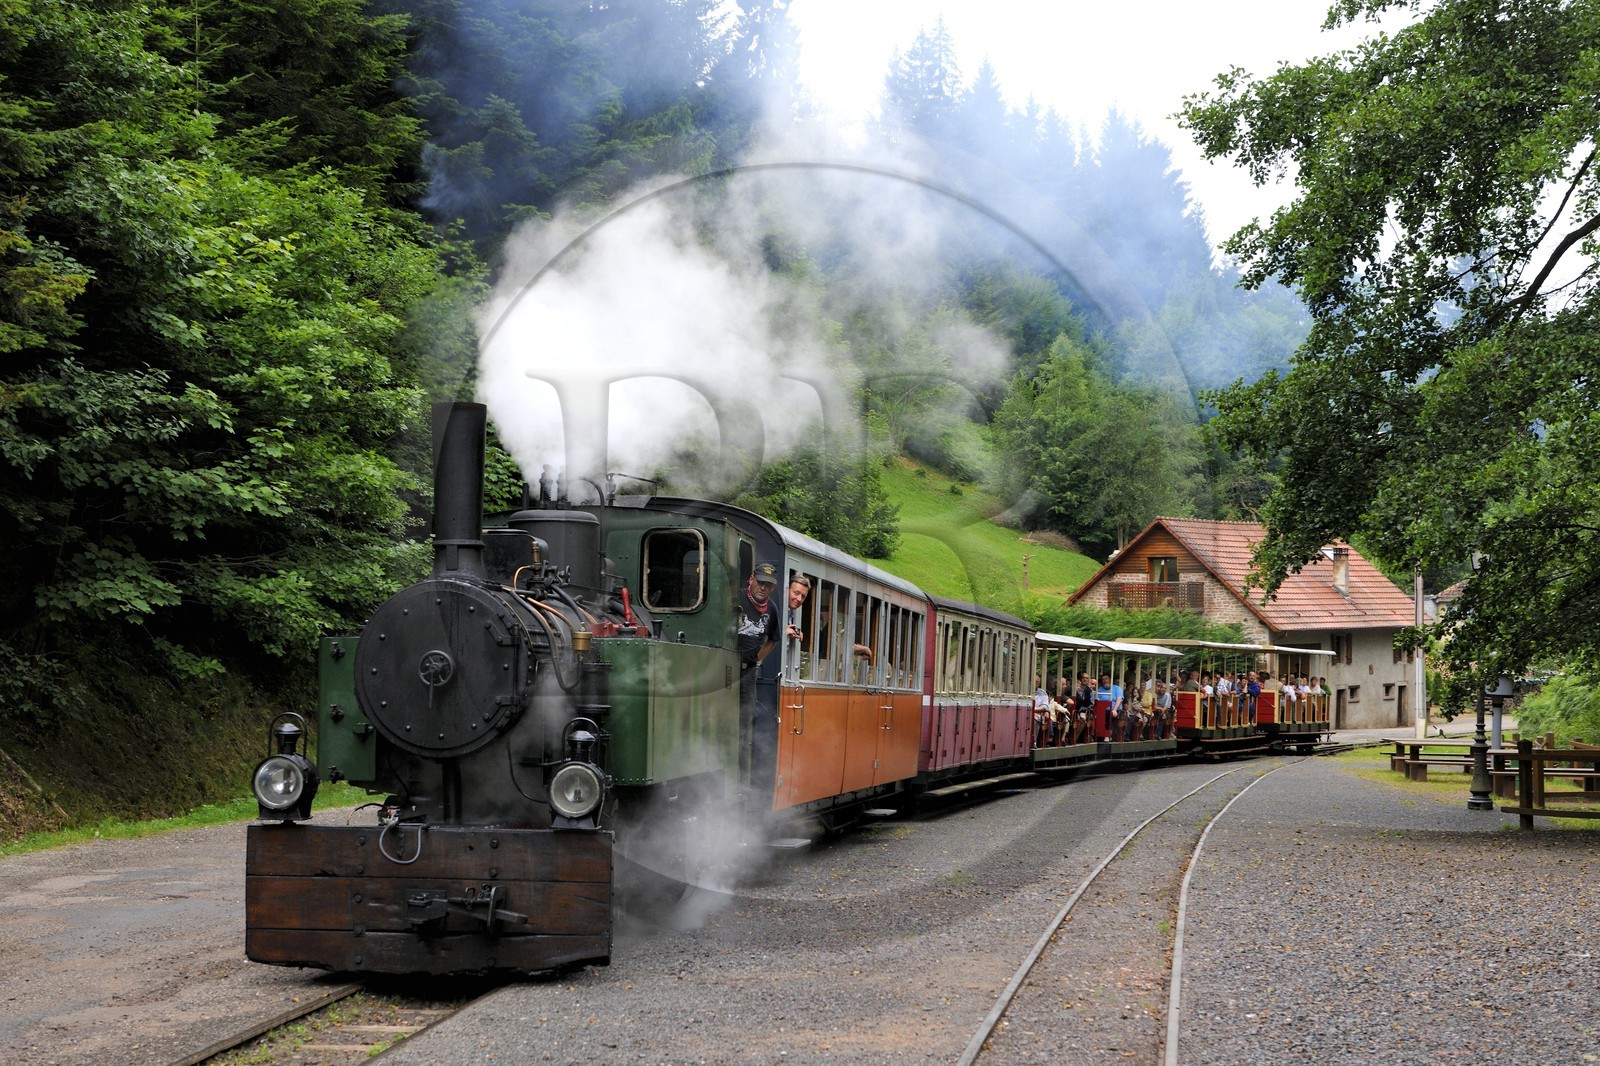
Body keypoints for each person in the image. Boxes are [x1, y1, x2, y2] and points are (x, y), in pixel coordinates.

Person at [737, 562, 782, 803]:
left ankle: (740, 780)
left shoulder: (772, 610)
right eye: (760, 582)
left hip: (747, 673)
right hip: (724, 667)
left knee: (744, 726)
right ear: (751, 580)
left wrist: (756, 661)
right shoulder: (736, 601)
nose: (763, 588)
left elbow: (772, 639)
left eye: (768, 585)